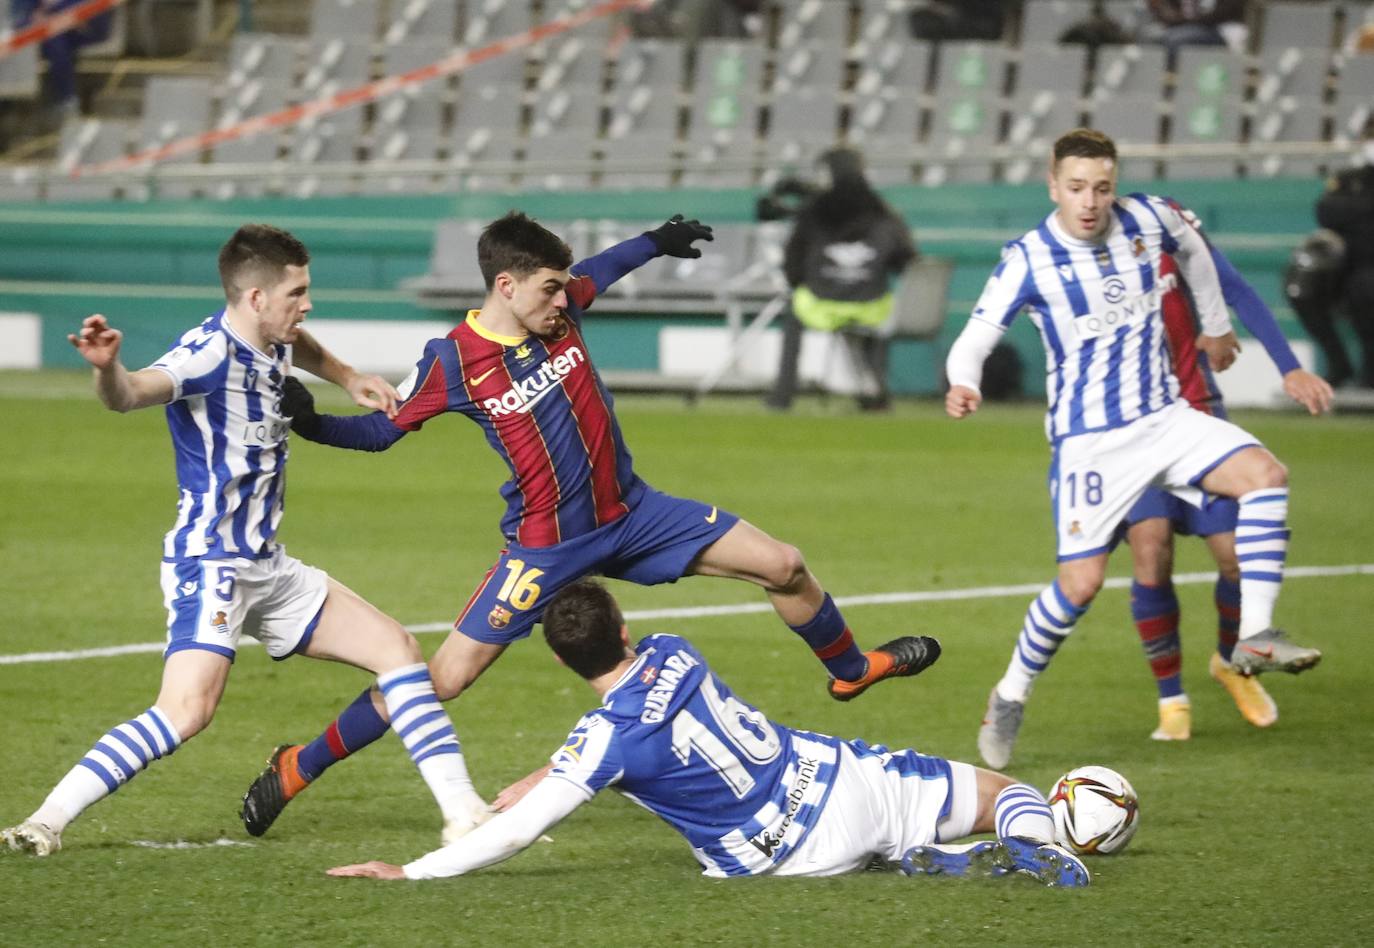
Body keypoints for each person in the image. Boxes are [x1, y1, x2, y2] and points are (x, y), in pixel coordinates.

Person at [238, 212, 940, 842]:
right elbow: (379, 434)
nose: (562, 298)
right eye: (549, 288)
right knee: (440, 681)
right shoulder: (454, 361)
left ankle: (852, 670)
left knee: (784, 564)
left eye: (564, 287)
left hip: (635, 515)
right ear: (506, 285)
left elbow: (600, 271)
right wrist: (309, 420)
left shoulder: (561, 305)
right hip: (545, 550)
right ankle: (300, 764)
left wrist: (657, 243)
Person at [1, 224, 482, 857]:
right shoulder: (204, 355)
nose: (306, 305)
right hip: (212, 564)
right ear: (256, 298)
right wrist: (108, 368)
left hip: (268, 567)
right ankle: (44, 820)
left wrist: (345, 375)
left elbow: (300, 344)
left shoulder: (273, 335)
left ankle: (463, 813)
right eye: (297, 293)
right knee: (185, 712)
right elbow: (131, 396)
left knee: (398, 651)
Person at [945, 128, 1323, 770]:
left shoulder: (1151, 218)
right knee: (1081, 585)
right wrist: (964, 381)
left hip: (1166, 418)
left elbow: (1202, 259)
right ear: (1052, 186)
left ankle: (1253, 636)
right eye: (1075, 188)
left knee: (1266, 474)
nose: (1090, 202)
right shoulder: (1030, 258)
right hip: (1091, 444)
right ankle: (1010, 693)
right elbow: (975, 338)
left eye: (1101, 187)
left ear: (1114, 185)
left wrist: (1215, 324)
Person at [325, 580, 1090, 886]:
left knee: (885, 854)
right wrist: (553, 769)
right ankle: (1046, 846)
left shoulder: (604, 744)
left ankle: (938, 864)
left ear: (559, 659)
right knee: (1010, 793)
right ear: (624, 628)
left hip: (786, 859)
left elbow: (518, 830)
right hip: (835, 780)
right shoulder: (673, 650)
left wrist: (415, 872)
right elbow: (631, 733)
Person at [1120, 233, 1332, 742]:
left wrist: (1290, 366)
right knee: (1152, 549)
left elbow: (1236, 288)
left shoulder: (1167, 228)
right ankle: (1172, 700)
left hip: (1199, 419)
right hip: (1133, 431)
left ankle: (1233, 661)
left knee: (1235, 555)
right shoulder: (1073, 252)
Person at [766, 147, 918, 412]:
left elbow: (793, 265)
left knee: (795, 310)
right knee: (873, 319)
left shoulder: (812, 212)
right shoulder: (884, 214)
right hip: (872, 308)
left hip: (820, 308)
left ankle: (782, 395)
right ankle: (877, 394)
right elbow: (905, 260)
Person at [1284, 149, 1374, 389]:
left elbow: (1340, 212)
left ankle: (1370, 373)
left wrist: (1354, 211)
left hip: (1366, 271)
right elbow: (1325, 211)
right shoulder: (1351, 177)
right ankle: (1339, 364)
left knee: (1365, 291)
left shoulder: (1352, 187)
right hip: (1346, 264)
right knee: (1300, 287)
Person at [11, 0, 114, 117]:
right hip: (49, 30)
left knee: (56, 39)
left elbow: (88, 12)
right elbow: (21, 19)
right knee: (55, 40)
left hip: (84, 27)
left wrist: (52, 12)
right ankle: (67, 100)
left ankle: (67, 100)